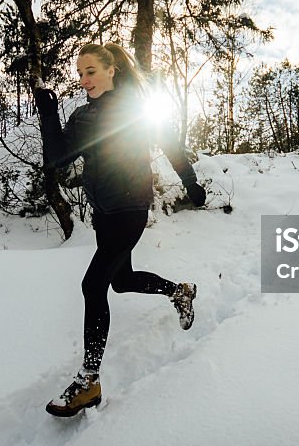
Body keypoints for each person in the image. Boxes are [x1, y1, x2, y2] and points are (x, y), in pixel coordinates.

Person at [33, 42, 206, 417]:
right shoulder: (82, 117)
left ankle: (89, 380)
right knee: (120, 280)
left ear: (112, 70)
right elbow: (57, 157)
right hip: (104, 212)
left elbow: (171, 145)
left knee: (92, 285)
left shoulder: (136, 108)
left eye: (91, 70)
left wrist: (191, 184)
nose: (84, 80)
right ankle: (180, 291)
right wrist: (47, 113)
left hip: (131, 208)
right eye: (79, 74)